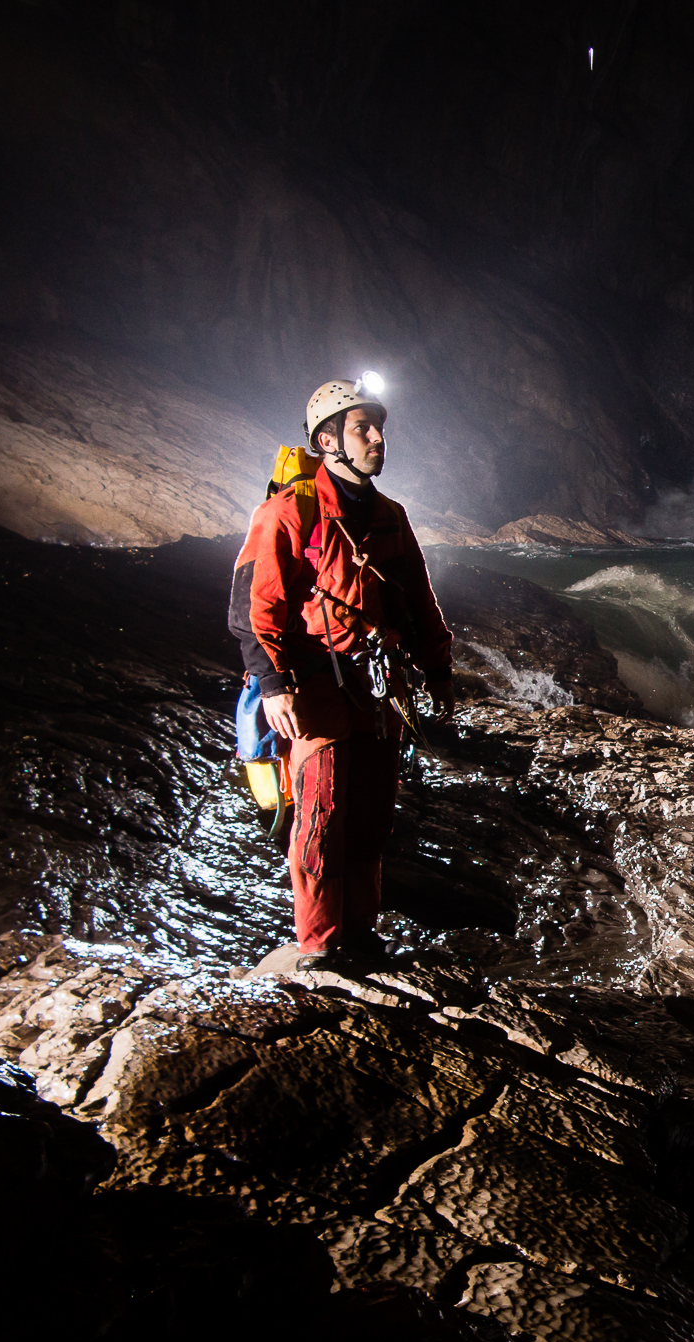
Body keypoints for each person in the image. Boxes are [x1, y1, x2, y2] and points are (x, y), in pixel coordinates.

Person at [229, 377, 455, 970]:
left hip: (379, 689)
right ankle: (319, 941)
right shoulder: (289, 511)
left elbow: (417, 600)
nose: (377, 438)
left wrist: (439, 669)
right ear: (328, 440)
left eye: (378, 427)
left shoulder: (389, 517)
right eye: (363, 428)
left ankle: (361, 931)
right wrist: (273, 684)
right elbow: (253, 609)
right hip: (316, 689)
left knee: (373, 816)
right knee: (321, 815)